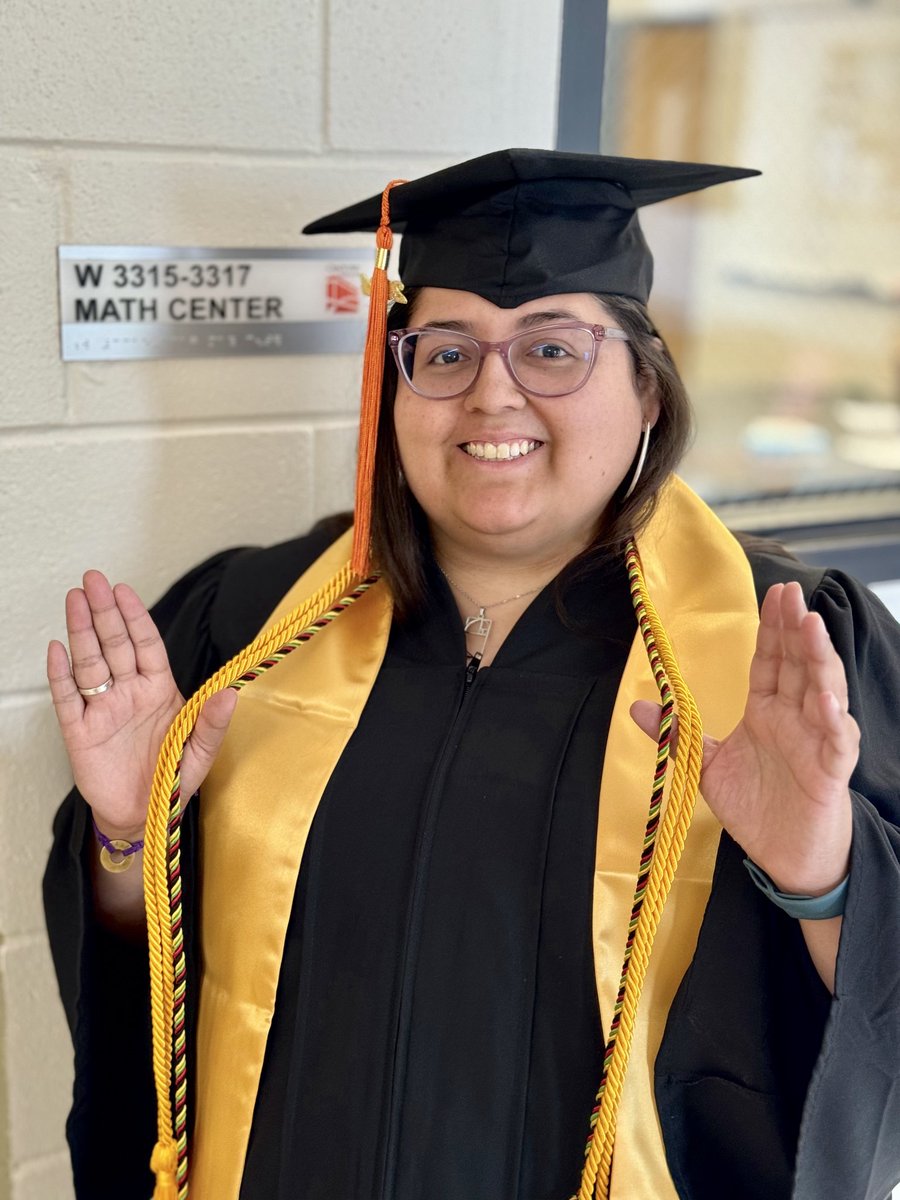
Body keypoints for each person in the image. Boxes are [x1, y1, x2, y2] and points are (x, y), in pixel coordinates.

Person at [43, 149, 900, 1200]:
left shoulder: (787, 650)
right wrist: (131, 841)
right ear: (393, 387)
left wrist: (823, 875)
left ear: (646, 388)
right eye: (444, 353)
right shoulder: (252, 625)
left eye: (552, 348)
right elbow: (142, 997)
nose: (493, 394)